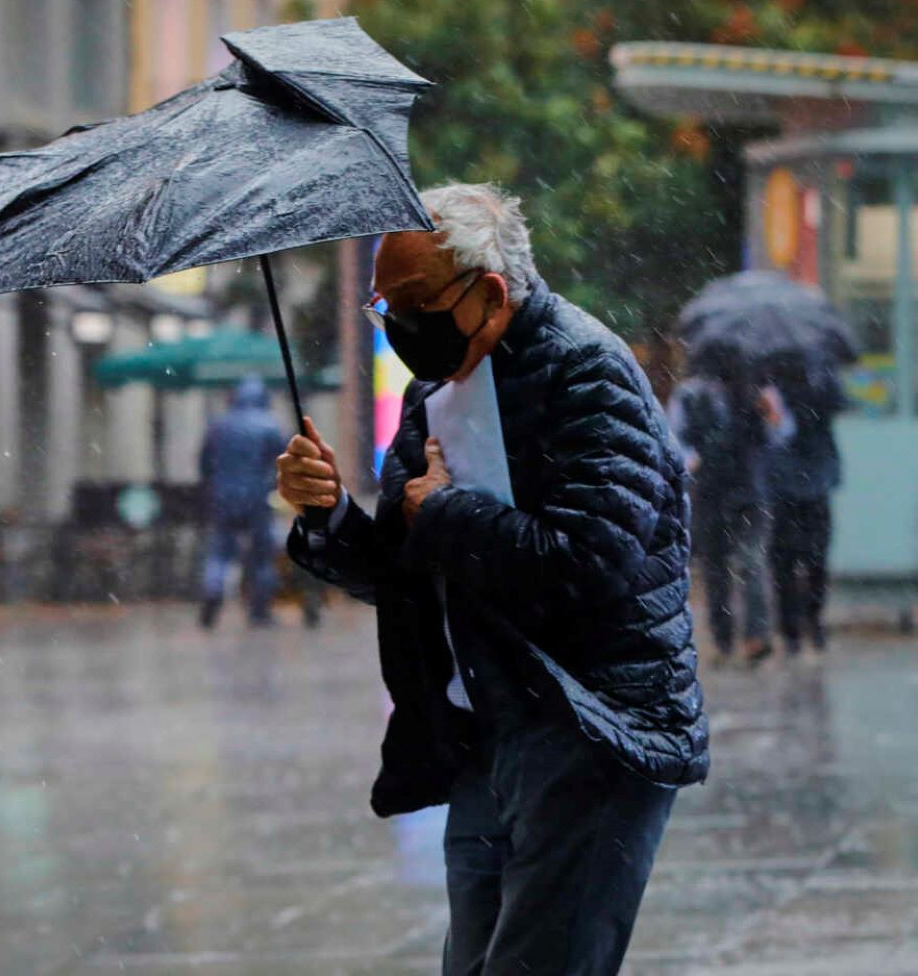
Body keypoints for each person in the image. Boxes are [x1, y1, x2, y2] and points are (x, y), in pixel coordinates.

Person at [276, 184, 706, 975]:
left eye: (418, 301)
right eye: (386, 305)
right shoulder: (431, 393)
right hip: (486, 729)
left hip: (590, 723)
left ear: (492, 292)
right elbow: (405, 574)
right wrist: (327, 512)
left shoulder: (586, 371)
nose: (401, 323)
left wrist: (446, 512)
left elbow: (590, 561)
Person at [668, 353, 791, 667]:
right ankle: (724, 638)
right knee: (716, 567)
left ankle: (755, 636)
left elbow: (781, 434)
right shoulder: (691, 394)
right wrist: (693, 461)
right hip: (712, 491)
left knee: (750, 561)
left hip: (749, 491)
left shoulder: (759, 393)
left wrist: (769, 414)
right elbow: (677, 439)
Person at [766, 351, 845, 662]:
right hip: (797, 483)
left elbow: (836, 405)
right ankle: (801, 625)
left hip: (804, 482)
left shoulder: (817, 379)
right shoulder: (780, 381)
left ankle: (800, 626)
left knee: (801, 560)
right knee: (800, 559)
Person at [198, 376, 286, 628]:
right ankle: (259, 610)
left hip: (223, 497)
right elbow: (282, 463)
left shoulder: (219, 425)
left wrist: (214, 486)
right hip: (257, 498)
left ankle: (213, 589)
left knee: (220, 551)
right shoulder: (270, 426)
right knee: (262, 556)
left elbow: (205, 464)